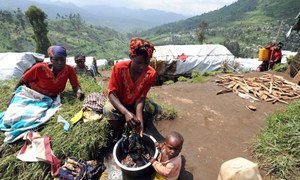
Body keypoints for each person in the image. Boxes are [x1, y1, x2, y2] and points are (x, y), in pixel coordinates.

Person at [103, 37, 157, 136]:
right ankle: (119, 132)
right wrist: (125, 113)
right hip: (117, 100)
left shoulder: (151, 74)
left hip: (134, 102)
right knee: (108, 110)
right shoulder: (119, 68)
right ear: (131, 57)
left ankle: (140, 127)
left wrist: (140, 122)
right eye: (139, 62)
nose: (142, 67)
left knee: (154, 109)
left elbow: (140, 99)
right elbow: (111, 94)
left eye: (147, 63)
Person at [15, 45, 85, 100]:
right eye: (56, 60)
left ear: (65, 59)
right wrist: (15, 92)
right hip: (34, 93)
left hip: (53, 96)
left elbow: (75, 85)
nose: (60, 63)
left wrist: (78, 92)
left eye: (62, 60)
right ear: (51, 59)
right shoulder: (39, 67)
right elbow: (23, 80)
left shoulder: (69, 69)